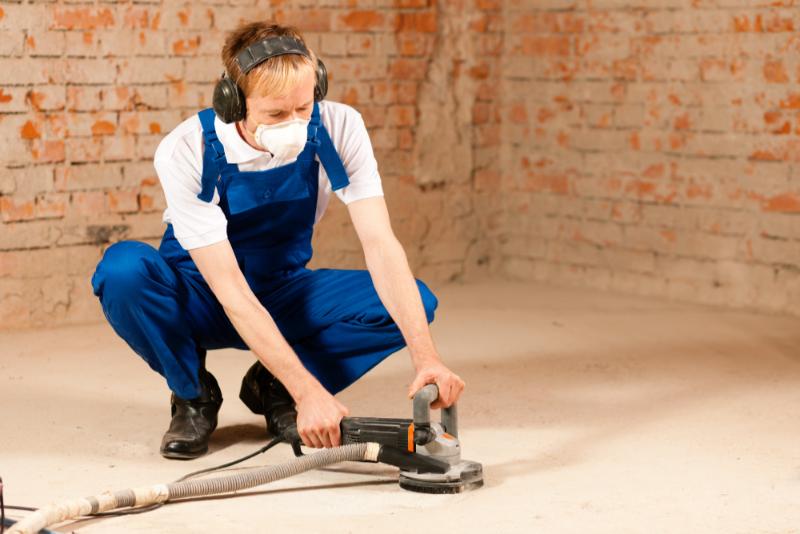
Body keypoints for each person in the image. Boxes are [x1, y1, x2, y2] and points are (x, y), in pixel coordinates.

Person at [91, 21, 464, 459]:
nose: (294, 125)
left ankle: (272, 387)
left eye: (304, 108)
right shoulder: (188, 149)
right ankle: (192, 395)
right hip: (202, 294)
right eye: (275, 114)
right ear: (232, 103)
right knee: (123, 271)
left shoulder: (340, 128)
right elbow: (230, 290)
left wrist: (427, 357)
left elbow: (381, 244)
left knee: (415, 303)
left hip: (281, 289)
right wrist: (310, 393)